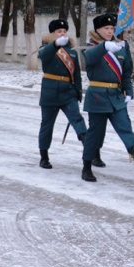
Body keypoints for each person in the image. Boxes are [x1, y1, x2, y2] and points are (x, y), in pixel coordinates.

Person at [80, 13, 134, 182]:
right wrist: (104, 47)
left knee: (125, 127)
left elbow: (126, 72)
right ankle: (86, 167)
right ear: (97, 30)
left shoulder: (121, 46)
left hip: (116, 95)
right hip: (97, 95)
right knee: (95, 134)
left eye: (112, 28)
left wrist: (129, 91)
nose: (109, 31)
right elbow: (88, 59)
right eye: (106, 28)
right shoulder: (92, 46)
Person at [36, 18, 87, 169]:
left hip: (67, 92)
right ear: (52, 34)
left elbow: (76, 73)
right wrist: (56, 45)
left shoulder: (71, 51)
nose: (63, 34)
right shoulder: (45, 47)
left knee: (77, 120)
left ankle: (90, 151)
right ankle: (44, 156)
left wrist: (78, 90)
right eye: (59, 31)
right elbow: (43, 56)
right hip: (50, 92)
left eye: (64, 31)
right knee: (47, 125)